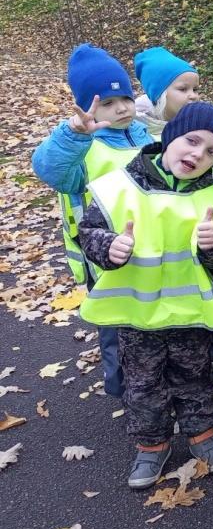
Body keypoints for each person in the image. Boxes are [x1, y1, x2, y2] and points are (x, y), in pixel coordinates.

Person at [77, 102, 213, 488]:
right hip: (138, 315)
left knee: (195, 377)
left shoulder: (212, 195)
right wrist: (109, 247)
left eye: (211, 152)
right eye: (192, 141)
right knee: (143, 384)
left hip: (188, 314)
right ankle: (152, 445)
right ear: (171, 135)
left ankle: (202, 434)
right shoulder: (119, 186)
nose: (198, 154)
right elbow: (89, 232)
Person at [31, 44, 153, 397]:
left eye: (125, 98)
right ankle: (123, 386)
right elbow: (50, 170)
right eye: (108, 103)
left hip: (149, 248)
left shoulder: (146, 135)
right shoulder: (83, 149)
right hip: (104, 256)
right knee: (116, 323)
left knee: (151, 319)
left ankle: (157, 382)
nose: (122, 108)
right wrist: (74, 133)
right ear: (88, 108)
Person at [133, 47, 201, 138]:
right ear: (159, 94)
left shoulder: (200, 121)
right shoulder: (134, 129)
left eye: (195, 89)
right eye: (183, 89)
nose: (193, 96)